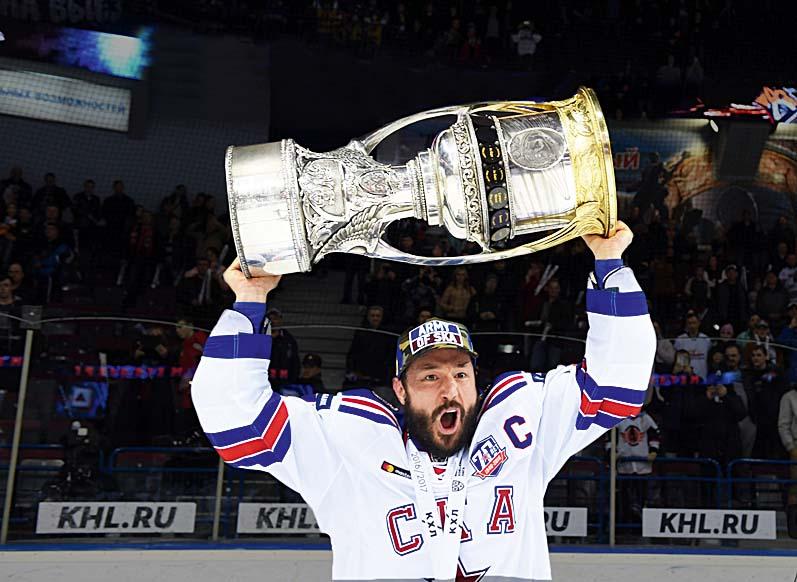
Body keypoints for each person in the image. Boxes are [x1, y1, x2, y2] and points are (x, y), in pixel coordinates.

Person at [191, 222, 655, 581]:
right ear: (401, 390)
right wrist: (250, 300)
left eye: (460, 374)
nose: (449, 389)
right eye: (430, 376)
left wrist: (609, 263)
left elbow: (618, 384)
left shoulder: (520, 422)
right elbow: (238, 424)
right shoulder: (348, 439)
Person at [674, 311, 712, 380]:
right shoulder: (680, 339)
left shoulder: (706, 339)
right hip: (685, 378)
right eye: (689, 323)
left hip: (702, 376)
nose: (692, 326)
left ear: (699, 323)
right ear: (686, 324)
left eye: (694, 323)